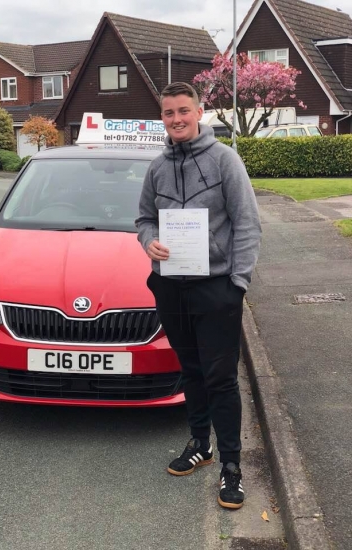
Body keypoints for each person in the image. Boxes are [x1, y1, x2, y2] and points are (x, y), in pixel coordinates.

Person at [135, 82, 261, 509]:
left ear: (199, 111)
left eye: (183, 111)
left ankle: (232, 467)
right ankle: (200, 445)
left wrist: (237, 285)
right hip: (172, 286)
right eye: (168, 113)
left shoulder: (225, 160)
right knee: (190, 371)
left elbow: (247, 225)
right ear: (163, 118)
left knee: (220, 378)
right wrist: (148, 241)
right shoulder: (157, 168)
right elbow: (144, 218)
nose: (176, 120)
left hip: (217, 288)